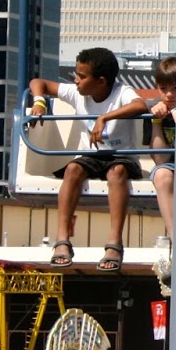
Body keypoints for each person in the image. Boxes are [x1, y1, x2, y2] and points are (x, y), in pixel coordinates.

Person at [30, 47, 150, 271]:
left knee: (117, 172)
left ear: (101, 81)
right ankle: (62, 240)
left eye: (82, 76)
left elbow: (140, 105)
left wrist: (104, 117)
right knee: (72, 169)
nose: (76, 80)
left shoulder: (121, 92)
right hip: (91, 156)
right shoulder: (77, 93)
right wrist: (39, 101)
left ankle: (114, 243)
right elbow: (39, 83)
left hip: (120, 157)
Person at [148, 56, 176, 285]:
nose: (169, 95)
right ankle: (175, 241)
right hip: (172, 165)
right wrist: (157, 123)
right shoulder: (155, 111)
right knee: (162, 175)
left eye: (175, 88)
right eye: (163, 89)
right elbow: (160, 158)